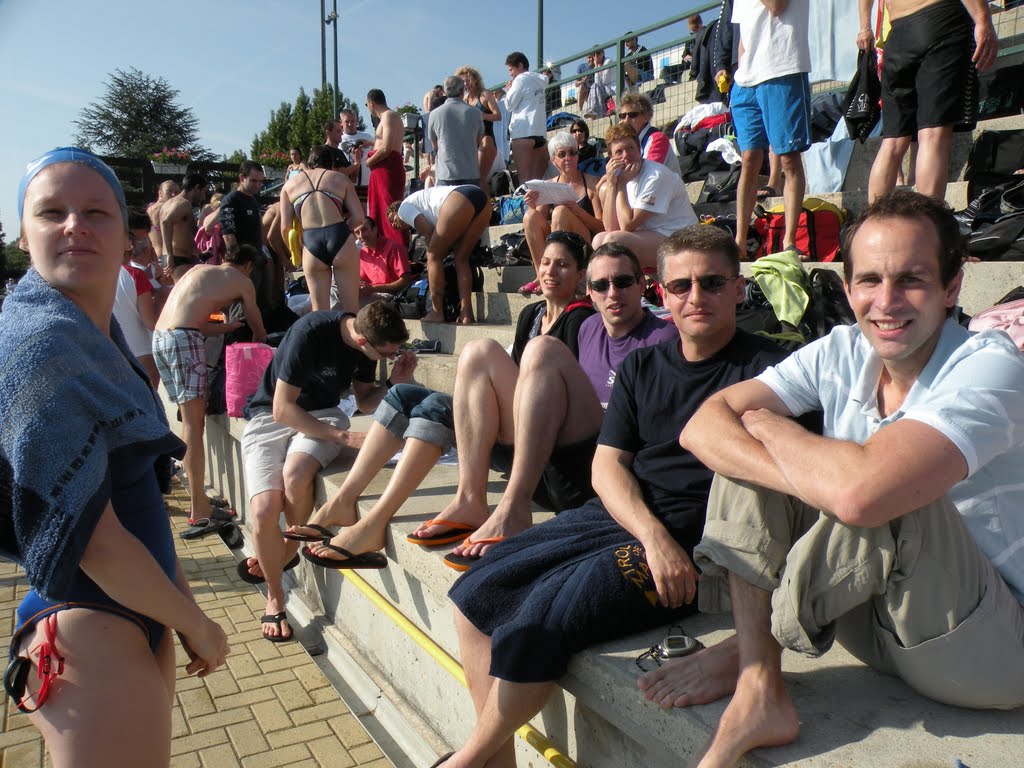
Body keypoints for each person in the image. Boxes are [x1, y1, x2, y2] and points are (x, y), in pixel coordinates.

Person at [643, 191, 1024, 767]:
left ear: (952, 287)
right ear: (847, 288)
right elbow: (703, 427)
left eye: (912, 279)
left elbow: (863, 494)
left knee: (889, 491)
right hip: (879, 623)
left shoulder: (990, 366)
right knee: (755, 464)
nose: (886, 301)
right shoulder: (842, 349)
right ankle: (758, 682)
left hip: (988, 647)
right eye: (869, 279)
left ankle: (753, 641)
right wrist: (797, 465)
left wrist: (779, 432)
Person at [436, 225, 789, 768]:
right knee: (476, 590)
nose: (696, 297)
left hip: (699, 543)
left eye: (713, 283)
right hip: (625, 520)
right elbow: (607, 466)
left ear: (739, 289)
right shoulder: (645, 366)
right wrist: (651, 536)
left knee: (543, 615)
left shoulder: (773, 369)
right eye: (681, 286)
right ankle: (495, 761)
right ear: (663, 292)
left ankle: (467, 760)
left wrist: (666, 543)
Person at [1, 146, 229, 767]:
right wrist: (199, 625)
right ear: (24, 236)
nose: (75, 225)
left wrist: (180, 611)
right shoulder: (41, 346)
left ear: (127, 238)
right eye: (52, 213)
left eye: (96, 212)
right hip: (86, 623)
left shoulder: (98, 339)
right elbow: (94, 542)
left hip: (134, 614)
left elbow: (138, 500)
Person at [296, 233, 599, 568]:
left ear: (580, 274)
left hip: (546, 442)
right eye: (545, 262)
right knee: (402, 394)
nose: (551, 271)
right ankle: (345, 499)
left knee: (468, 366)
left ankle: (385, 519)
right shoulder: (532, 314)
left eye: (563, 265)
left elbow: (568, 398)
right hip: (511, 433)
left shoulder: (583, 321)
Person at [236, 302, 415, 641]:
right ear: (362, 341)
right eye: (387, 354)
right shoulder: (310, 334)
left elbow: (364, 402)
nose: (390, 357)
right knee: (262, 509)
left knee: (296, 476)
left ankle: (281, 563)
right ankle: (276, 588)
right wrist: (344, 438)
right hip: (270, 416)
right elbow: (282, 409)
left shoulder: (367, 345)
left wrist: (394, 381)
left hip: (324, 414)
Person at [152, 246, 267, 525]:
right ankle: (199, 509)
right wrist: (262, 344)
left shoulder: (199, 271)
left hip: (161, 338)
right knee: (194, 425)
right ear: (248, 266)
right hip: (183, 341)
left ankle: (199, 498)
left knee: (189, 422)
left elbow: (193, 322)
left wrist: (227, 328)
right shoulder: (242, 280)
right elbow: (257, 324)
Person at [859, 0, 998, 202]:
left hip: (898, 32)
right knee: (933, 134)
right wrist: (983, 20)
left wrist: (865, 27)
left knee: (892, 142)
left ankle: (873, 217)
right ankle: (929, 216)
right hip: (941, 21)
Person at [730, 0, 812, 259]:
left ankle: (790, 241)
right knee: (749, 159)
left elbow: (776, 6)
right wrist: (743, 67)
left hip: (781, 69)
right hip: (746, 80)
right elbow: (744, 35)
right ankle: (739, 242)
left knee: (789, 159)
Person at [592, 124, 697, 268]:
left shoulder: (655, 176)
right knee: (598, 240)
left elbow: (627, 225)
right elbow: (611, 227)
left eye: (630, 148)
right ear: (610, 158)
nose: (626, 155)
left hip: (681, 238)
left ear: (639, 149)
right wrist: (611, 184)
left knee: (614, 241)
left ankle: (627, 281)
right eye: (619, 152)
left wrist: (621, 185)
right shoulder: (622, 176)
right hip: (654, 235)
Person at [387, 184, 491, 325]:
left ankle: (437, 312)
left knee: (433, 257)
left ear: (396, 211)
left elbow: (429, 231)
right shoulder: (421, 204)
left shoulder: (403, 209)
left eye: (392, 219)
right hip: (481, 198)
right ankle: (466, 314)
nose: (393, 224)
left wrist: (431, 255)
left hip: (458, 199)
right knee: (461, 259)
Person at [279, 145, 364, 314]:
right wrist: (343, 230)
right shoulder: (340, 178)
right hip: (339, 236)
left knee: (319, 313)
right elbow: (359, 218)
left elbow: (285, 228)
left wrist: (295, 252)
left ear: (310, 163)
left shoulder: (289, 185)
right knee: (351, 310)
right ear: (332, 164)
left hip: (311, 241)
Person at [520, 131, 604, 295]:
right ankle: (541, 276)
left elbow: (601, 227)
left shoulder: (591, 183)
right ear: (553, 160)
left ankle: (558, 275)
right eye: (562, 154)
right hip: (558, 240)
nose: (568, 158)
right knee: (530, 216)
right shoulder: (548, 185)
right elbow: (538, 221)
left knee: (560, 212)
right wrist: (532, 205)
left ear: (578, 156)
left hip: (584, 244)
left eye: (572, 152)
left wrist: (576, 210)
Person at [114, 213, 161, 387]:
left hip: (107, 350)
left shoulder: (91, 274)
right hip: (139, 350)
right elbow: (151, 322)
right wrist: (162, 296)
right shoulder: (135, 275)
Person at [220, 161, 272, 312]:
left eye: (261, 181)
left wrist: (265, 254)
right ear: (242, 178)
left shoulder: (252, 200)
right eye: (254, 180)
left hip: (257, 259)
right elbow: (228, 235)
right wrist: (239, 265)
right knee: (241, 307)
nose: (258, 185)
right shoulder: (232, 200)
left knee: (259, 305)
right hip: (243, 264)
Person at [365, 89, 408, 248]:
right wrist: (371, 144)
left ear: (371, 103)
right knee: (380, 210)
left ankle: (399, 250)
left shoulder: (389, 116)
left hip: (387, 168)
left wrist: (369, 162)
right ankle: (386, 250)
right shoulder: (387, 117)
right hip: (382, 170)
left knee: (390, 211)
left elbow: (387, 147)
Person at [503, 52, 550, 184]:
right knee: (537, 183)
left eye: (511, 69)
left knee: (524, 181)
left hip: (523, 133)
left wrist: (509, 90)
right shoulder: (540, 80)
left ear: (520, 65)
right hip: (540, 133)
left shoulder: (520, 79)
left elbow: (509, 105)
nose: (510, 74)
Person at [429, 75, 485, 187]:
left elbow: (434, 144)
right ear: (462, 90)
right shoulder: (476, 112)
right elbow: (479, 141)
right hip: (470, 173)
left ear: (445, 91)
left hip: (445, 174)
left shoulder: (434, 114)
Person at [456, 65, 503, 190]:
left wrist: (482, 115)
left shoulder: (485, 94)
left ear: (476, 79)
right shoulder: (464, 100)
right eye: (463, 82)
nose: (466, 84)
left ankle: (485, 202)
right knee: (475, 181)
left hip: (486, 140)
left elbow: (498, 116)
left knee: (479, 179)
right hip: (472, 143)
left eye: (468, 80)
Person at [616, 92, 681, 175]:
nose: (626, 120)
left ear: (646, 117)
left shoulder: (658, 139)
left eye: (632, 115)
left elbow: (648, 173)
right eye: (622, 116)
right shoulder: (627, 143)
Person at [159, 172, 209, 280]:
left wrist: (197, 251)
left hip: (174, 257)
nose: (203, 197)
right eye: (203, 192)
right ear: (196, 188)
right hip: (177, 259)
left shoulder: (169, 203)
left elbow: (184, 230)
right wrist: (170, 256)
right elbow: (166, 223)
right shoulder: (184, 203)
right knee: (185, 291)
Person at [357, 216, 414, 303]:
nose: (361, 236)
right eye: (357, 232)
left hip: (392, 297)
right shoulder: (362, 253)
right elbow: (362, 280)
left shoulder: (394, 248)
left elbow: (405, 281)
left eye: (365, 230)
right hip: (373, 294)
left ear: (375, 230)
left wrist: (373, 288)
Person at [339, 108, 374, 196]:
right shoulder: (339, 139)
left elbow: (379, 148)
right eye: (347, 121)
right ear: (341, 123)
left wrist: (369, 143)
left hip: (367, 184)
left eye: (353, 121)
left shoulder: (367, 137)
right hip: (347, 185)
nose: (350, 124)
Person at [662, 14, 704, 84]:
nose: (694, 30)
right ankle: (672, 85)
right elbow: (685, 54)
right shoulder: (690, 38)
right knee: (665, 70)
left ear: (700, 24)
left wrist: (694, 58)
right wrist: (685, 57)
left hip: (699, 63)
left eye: (695, 27)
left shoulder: (706, 34)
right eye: (693, 28)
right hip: (687, 65)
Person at [147, 179, 179, 269]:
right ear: (160, 193)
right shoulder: (162, 208)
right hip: (166, 258)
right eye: (169, 191)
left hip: (155, 258)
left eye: (176, 192)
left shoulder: (150, 208)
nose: (173, 195)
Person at [582, 48, 615, 119]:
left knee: (594, 86)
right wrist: (596, 67)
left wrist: (597, 67)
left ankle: (594, 110)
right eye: (594, 55)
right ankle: (593, 111)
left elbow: (604, 80)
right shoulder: (597, 66)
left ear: (603, 53)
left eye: (598, 53)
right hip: (606, 91)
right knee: (593, 86)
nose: (596, 56)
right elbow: (597, 82)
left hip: (613, 89)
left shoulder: (608, 62)